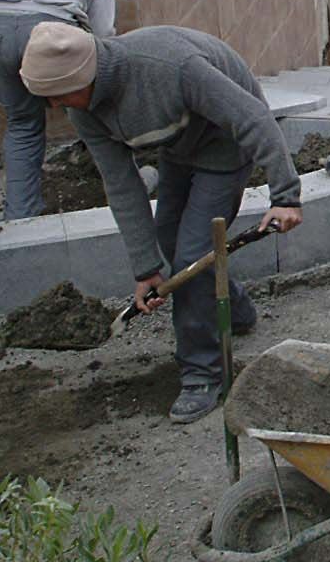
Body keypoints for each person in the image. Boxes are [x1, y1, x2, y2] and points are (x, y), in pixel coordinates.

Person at [18, 21, 304, 423]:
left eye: (58, 95)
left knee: (191, 256)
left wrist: (285, 195)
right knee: (171, 248)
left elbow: (252, 117)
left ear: (82, 76)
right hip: (179, 147)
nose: (54, 107)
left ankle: (203, 373)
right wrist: (146, 267)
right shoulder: (83, 108)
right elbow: (120, 184)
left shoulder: (169, 66)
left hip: (224, 142)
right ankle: (233, 310)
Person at [0, 0, 115, 220]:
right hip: (48, 28)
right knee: (93, 112)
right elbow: (104, 40)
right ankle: (123, 188)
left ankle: (21, 219)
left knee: (23, 124)